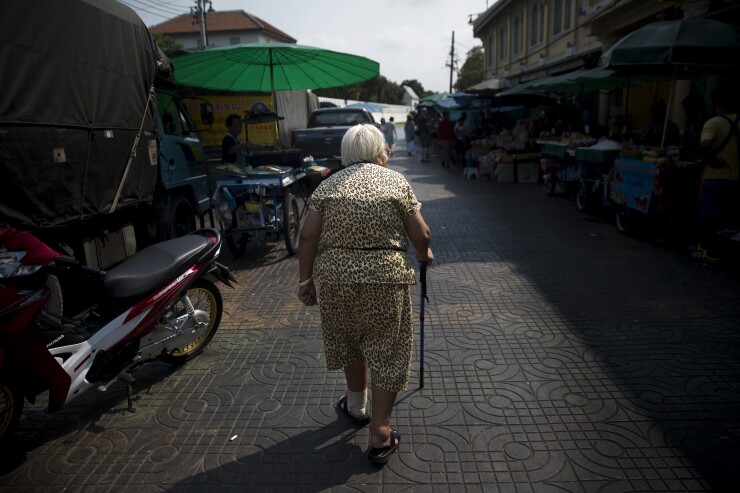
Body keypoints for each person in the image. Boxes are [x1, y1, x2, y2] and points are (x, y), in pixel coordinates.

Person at [297, 124, 433, 465]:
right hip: (385, 280)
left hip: (337, 280)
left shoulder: (328, 185)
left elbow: (307, 237)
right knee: (387, 351)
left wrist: (305, 281)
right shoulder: (396, 182)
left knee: (351, 341)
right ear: (380, 150)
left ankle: (356, 406)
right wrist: (422, 254)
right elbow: (422, 233)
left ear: (345, 152)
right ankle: (381, 432)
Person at [690, 83, 740, 263]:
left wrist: (711, 159)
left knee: (709, 218)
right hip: (735, 179)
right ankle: (726, 252)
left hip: (714, 178)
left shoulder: (713, 122)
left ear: (714, 102)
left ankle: (709, 252)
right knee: (728, 220)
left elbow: (704, 144)